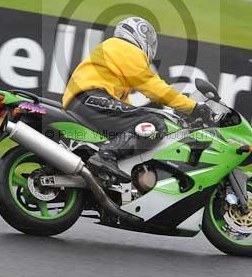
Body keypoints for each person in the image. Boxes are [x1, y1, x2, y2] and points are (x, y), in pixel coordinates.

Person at [62, 16, 213, 181]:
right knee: (155, 126)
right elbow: (155, 87)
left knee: (142, 124)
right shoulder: (125, 48)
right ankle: (105, 156)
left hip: (87, 100)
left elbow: (128, 108)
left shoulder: (115, 54)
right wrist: (193, 107)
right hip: (91, 98)